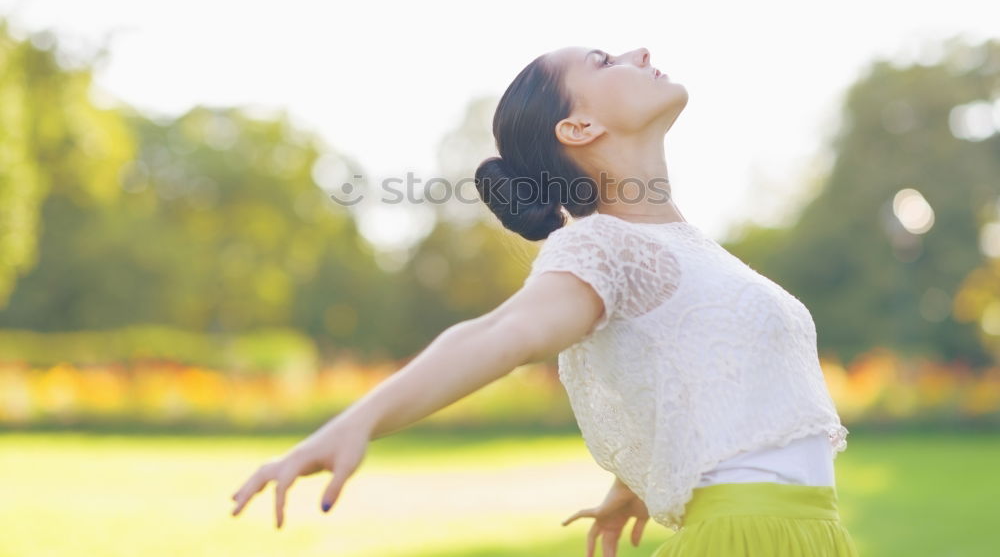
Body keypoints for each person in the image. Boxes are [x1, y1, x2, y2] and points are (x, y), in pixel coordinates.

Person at [229, 45, 860, 557]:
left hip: (810, 535)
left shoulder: (681, 248)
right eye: (605, 61)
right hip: (744, 540)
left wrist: (639, 473)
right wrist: (357, 422)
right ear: (578, 126)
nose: (639, 51)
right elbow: (501, 333)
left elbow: (693, 365)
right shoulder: (602, 246)